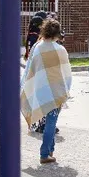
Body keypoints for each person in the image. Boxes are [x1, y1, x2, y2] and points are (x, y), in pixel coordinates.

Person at [21, 19, 72, 165]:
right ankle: (44, 153)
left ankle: (50, 150)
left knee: (49, 121)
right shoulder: (60, 49)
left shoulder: (37, 47)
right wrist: (66, 89)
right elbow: (66, 73)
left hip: (40, 90)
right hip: (56, 91)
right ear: (57, 33)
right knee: (51, 122)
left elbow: (31, 70)